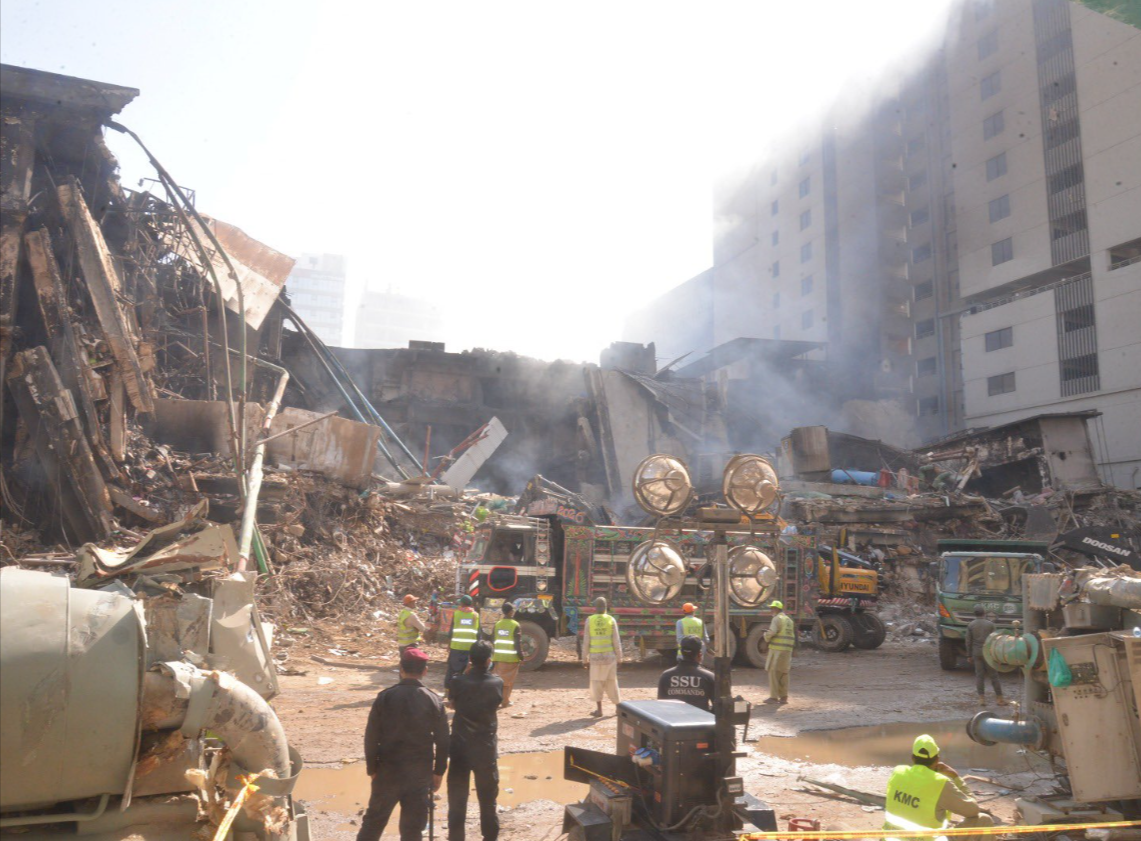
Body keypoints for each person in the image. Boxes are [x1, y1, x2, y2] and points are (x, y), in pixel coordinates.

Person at [357, 648, 449, 841]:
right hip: (419, 774)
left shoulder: (385, 697)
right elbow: (443, 741)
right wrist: (438, 771)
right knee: (412, 831)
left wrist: (372, 769)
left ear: (401, 668)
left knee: (372, 825)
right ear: (425, 671)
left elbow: (371, 736)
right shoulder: (433, 700)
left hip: (387, 772)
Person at [883, 734, 994, 841]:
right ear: (937, 760)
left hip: (891, 838)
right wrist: (956, 778)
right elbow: (973, 810)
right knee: (984, 820)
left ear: (912, 758)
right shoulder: (940, 783)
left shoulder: (897, 772)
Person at [448, 640, 504, 841]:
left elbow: (452, 702)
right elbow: (497, 703)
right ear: (489, 660)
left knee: (457, 802)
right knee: (488, 802)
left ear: (470, 659)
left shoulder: (457, 681)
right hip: (485, 751)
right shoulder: (497, 683)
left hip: (460, 749)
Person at [584, 596, 622, 717]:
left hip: (595, 658)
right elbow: (616, 640)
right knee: (612, 682)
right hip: (609, 657)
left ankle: (599, 710)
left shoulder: (590, 620)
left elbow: (586, 641)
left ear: (595, 607)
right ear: (606, 608)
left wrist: (584, 659)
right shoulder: (611, 620)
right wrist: (620, 657)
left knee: (596, 683)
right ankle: (617, 708)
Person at [657, 635, 715, 711]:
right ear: (700, 654)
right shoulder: (708, 677)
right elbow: (718, 707)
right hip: (700, 721)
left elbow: (661, 706)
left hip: (674, 720)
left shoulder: (666, 676)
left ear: (681, 652)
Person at [965, 605, 1007, 707]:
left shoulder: (971, 625)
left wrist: (969, 655)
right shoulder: (990, 624)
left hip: (977, 653)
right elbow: (995, 640)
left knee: (979, 676)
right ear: (984, 613)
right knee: (994, 676)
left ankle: (982, 699)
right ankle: (999, 699)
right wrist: (998, 656)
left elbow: (968, 642)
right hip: (988, 653)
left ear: (975, 614)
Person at [446, 595, 481, 698]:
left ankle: (448, 691)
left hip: (456, 647)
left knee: (452, 669)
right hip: (470, 648)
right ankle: (466, 692)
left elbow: (451, 631)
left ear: (462, 604)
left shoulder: (457, 614)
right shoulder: (475, 615)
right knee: (467, 670)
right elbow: (478, 632)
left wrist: (449, 644)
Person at [490, 601, 523, 707]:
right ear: (511, 612)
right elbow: (517, 643)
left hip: (498, 657)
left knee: (499, 680)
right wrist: (521, 657)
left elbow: (493, 640)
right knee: (508, 682)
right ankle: (505, 701)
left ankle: (496, 700)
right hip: (511, 658)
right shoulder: (515, 625)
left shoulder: (498, 624)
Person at [763, 599, 795, 705]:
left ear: (776, 609)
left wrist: (765, 637)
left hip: (777, 649)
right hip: (787, 650)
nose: (771, 610)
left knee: (773, 671)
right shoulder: (789, 620)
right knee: (783, 672)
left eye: (772, 608)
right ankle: (783, 697)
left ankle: (773, 697)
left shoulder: (777, 619)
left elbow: (772, 632)